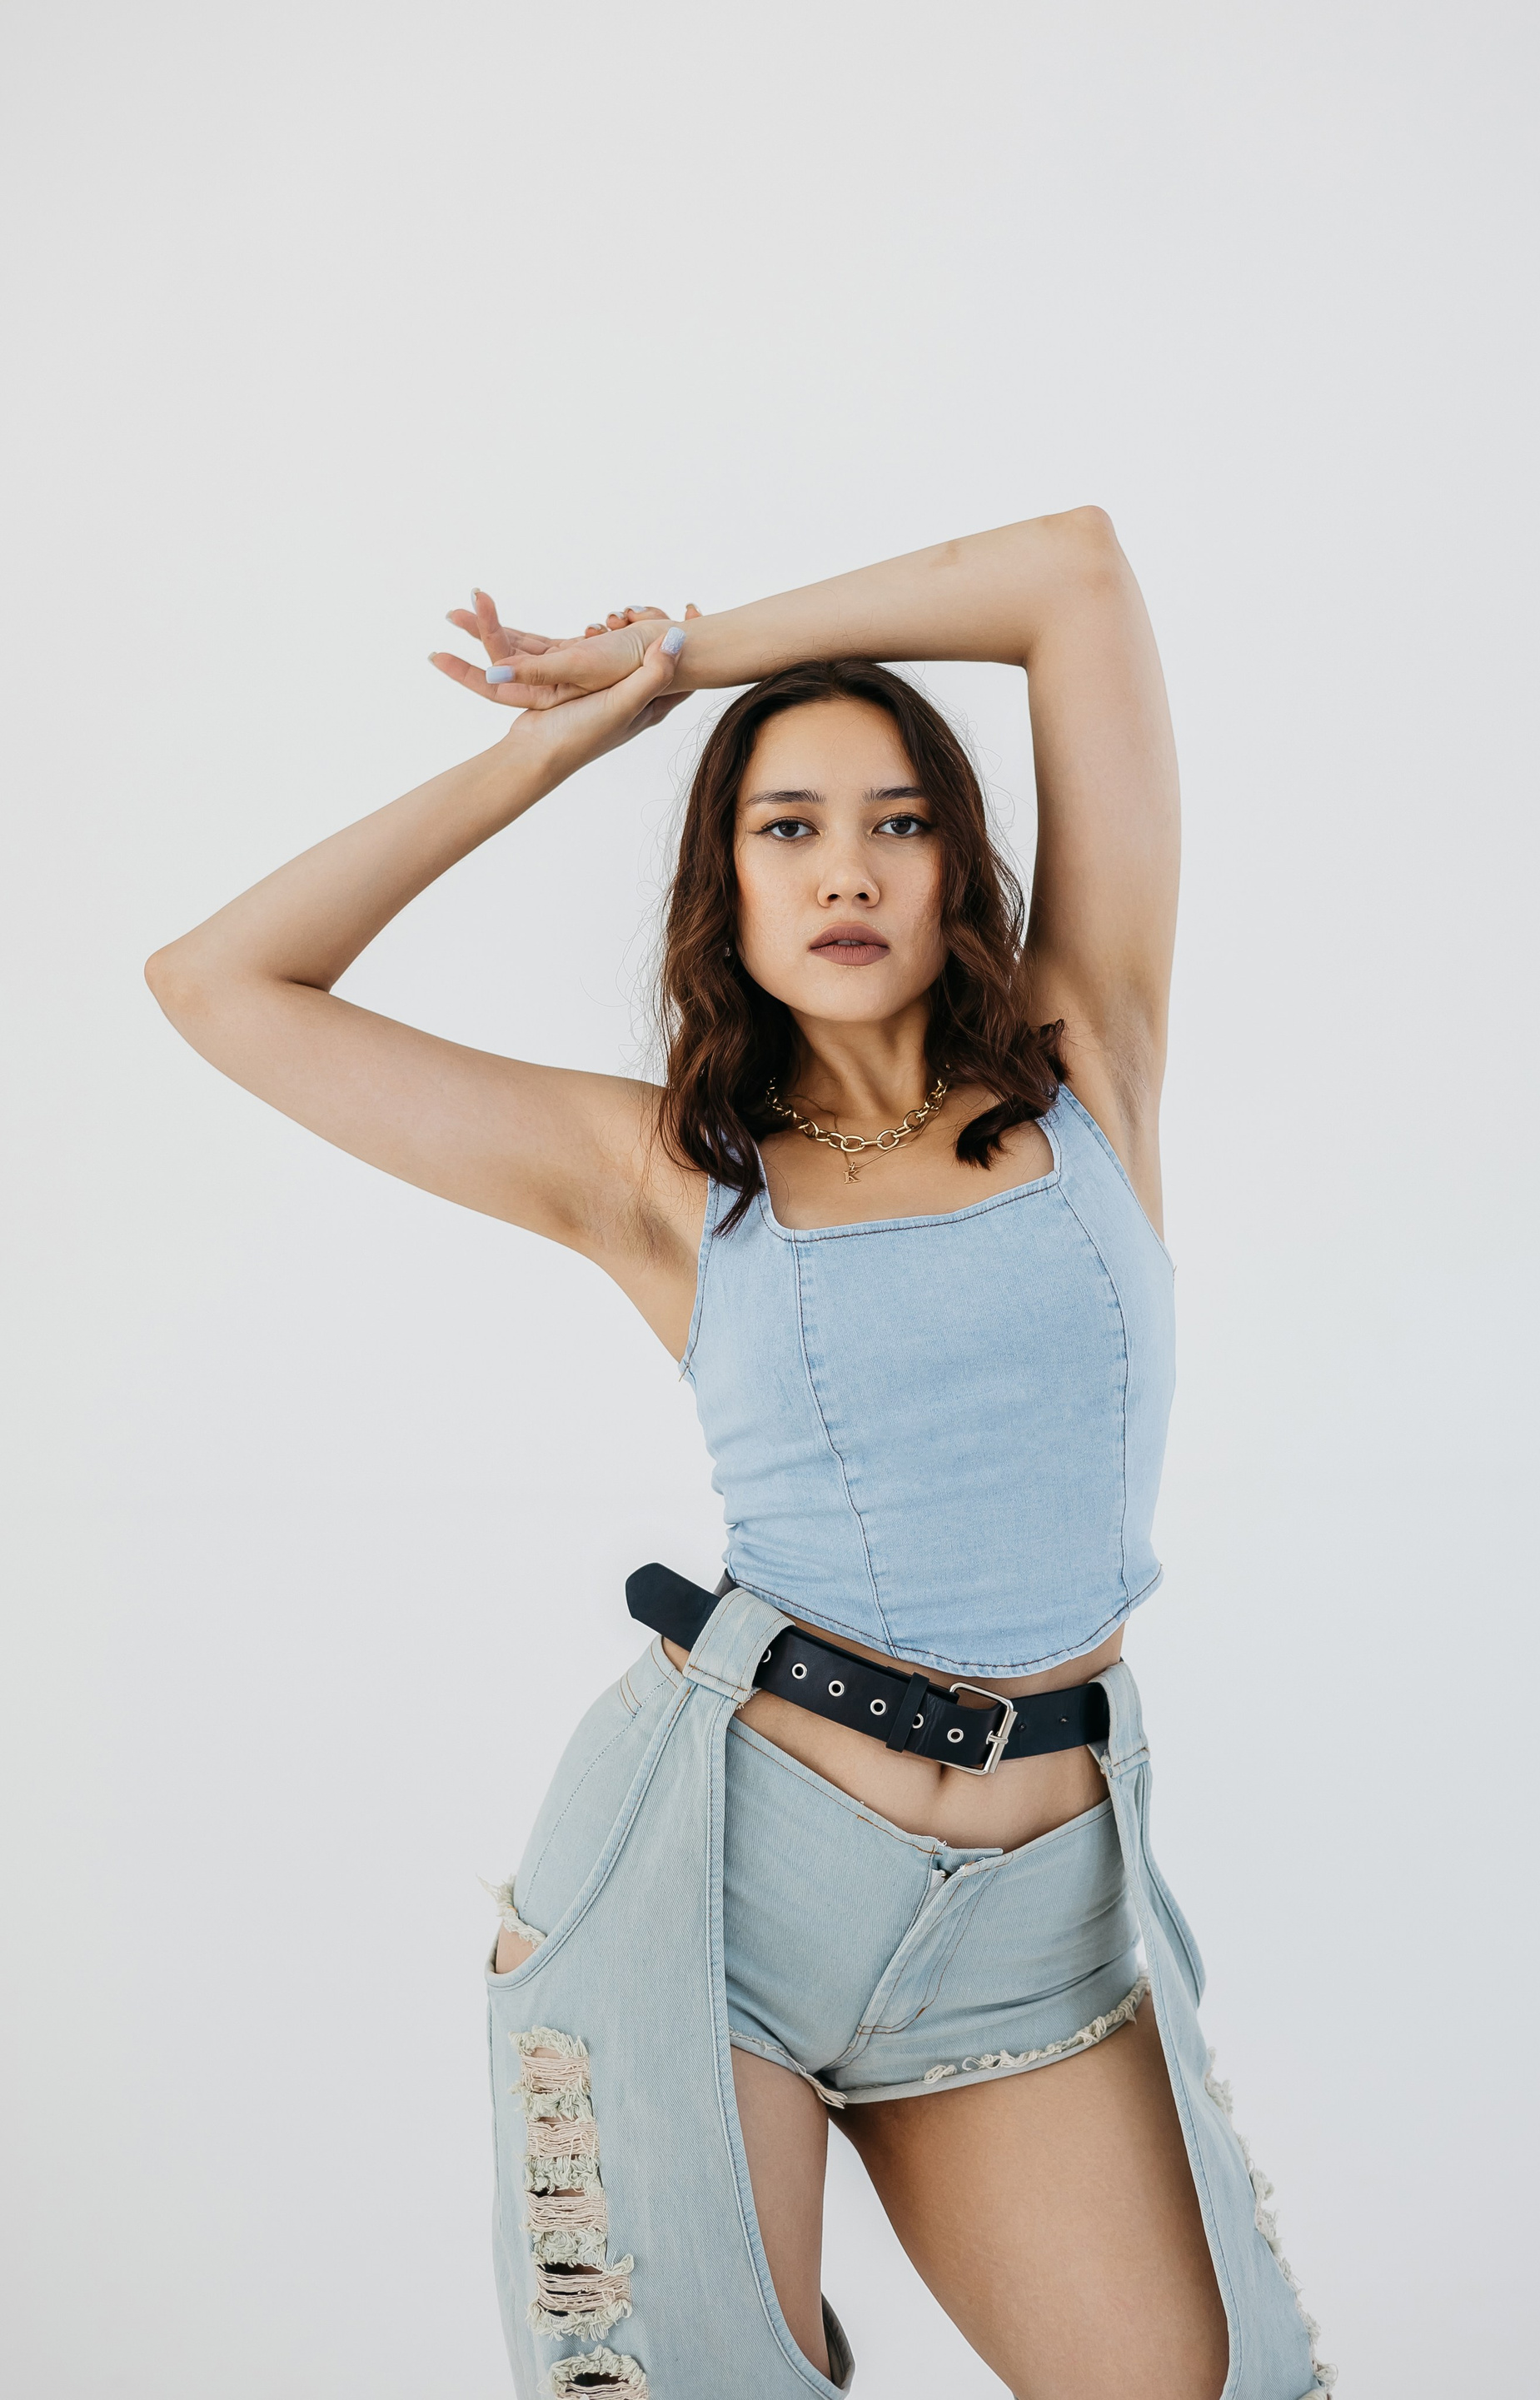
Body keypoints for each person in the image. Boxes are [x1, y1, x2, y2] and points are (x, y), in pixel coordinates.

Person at [146, 513, 1331, 2400]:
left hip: (1037, 1918)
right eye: (787, 826)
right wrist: (573, 735)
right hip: (712, 1877)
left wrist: (693, 651)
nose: (845, 866)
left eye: (896, 821)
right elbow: (221, 983)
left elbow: (1076, 578)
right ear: (727, 884)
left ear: (958, 868)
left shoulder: (1085, 1060)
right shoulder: (668, 1178)